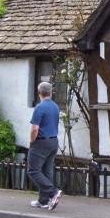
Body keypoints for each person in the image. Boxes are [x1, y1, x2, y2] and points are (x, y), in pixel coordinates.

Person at [28, 81, 62, 211]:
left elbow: (34, 129)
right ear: (51, 92)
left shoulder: (40, 107)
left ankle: (53, 192)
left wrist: (32, 142)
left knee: (33, 170)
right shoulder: (55, 106)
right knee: (47, 171)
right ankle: (43, 201)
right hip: (53, 141)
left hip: (41, 142)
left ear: (39, 93)